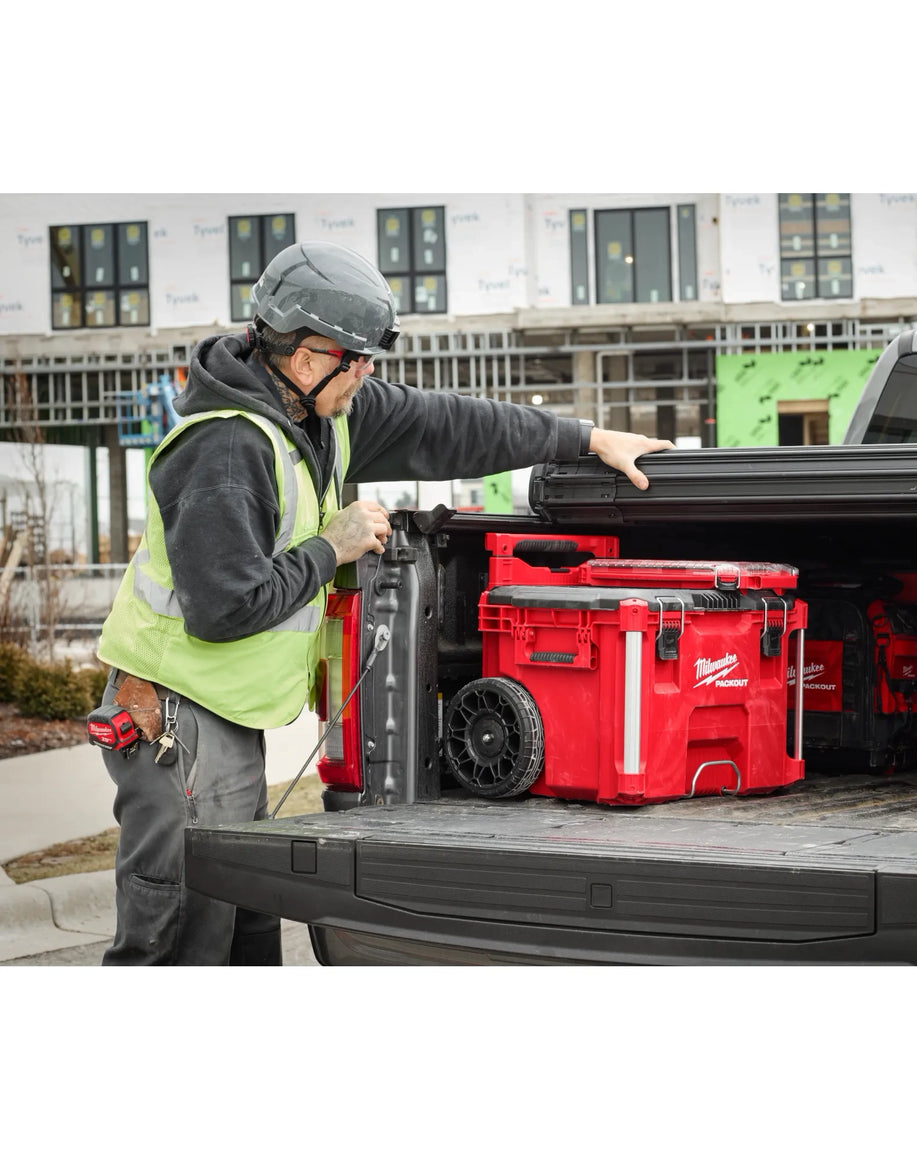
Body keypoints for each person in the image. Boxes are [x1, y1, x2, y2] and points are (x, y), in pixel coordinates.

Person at [94, 241, 673, 965]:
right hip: (179, 720)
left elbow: (447, 424)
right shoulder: (226, 450)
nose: (368, 374)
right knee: (181, 938)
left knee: (244, 929)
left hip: (225, 718)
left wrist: (586, 438)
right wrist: (329, 547)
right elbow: (226, 608)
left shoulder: (319, 414)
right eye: (359, 359)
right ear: (308, 356)